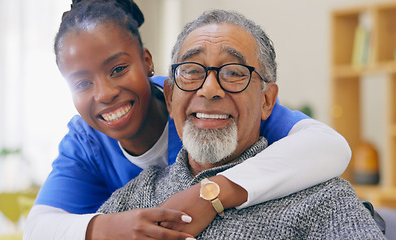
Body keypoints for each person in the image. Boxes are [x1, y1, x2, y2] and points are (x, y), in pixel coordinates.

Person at [24, 0, 351, 239]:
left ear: (148, 64)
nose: (105, 92)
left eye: (119, 69)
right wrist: (112, 227)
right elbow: (39, 228)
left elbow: (329, 146)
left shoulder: (208, 104)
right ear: (170, 92)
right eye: (82, 83)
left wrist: (210, 194)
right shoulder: (88, 146)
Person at [97, 9, 385, 239]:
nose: (209, 89)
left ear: (267, 101)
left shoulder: (324, 199)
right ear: (170, 97)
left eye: (234, 72)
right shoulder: (132, 200)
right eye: (192, 71)